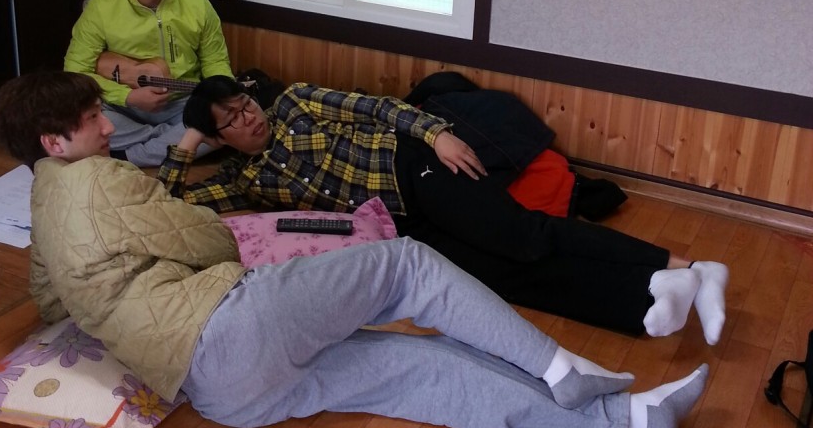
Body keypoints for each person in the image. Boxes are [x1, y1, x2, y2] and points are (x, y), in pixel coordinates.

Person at [0, 70, 710, 428]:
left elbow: (50, 300)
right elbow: (208, 241)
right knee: (410, 267)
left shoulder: (42, 201)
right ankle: (561, 366)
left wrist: (113, 304)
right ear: (55, 141)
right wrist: (188, 200)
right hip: (232, 325)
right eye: (93, 119)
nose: (108, 125)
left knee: (418, 371)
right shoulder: (104, 179)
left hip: (220, 394)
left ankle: (630, 418)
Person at [159, 77, 729, 344]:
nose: (250, 118)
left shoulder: (293, 103)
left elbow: (378, 108)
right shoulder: (243, 180)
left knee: (521, 235)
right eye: (232, 120)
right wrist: (186, 143)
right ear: (218, 139)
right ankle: (645, 298)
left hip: (414, 167)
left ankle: (685, 266)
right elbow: (169, 200)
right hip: (398, 223)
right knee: (503, 278)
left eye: (246, 104)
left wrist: (436, 135)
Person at [64, 0, 233, 167]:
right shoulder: (100, 8)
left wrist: (223, 94)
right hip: (122, 107)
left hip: (183, 103)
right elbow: (76, 71)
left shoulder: (196, 2)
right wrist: (128, 97)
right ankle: (173, 142)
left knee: (225, 120)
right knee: (70, 115)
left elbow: (215, 60)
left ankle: (130, 155)